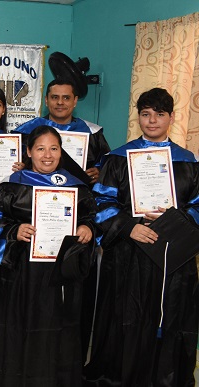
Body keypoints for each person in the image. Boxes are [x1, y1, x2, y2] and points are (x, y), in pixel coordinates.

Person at [83, 88, 199, 386]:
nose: (152, 121)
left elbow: (198, 207)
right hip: (127, 254)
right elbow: (100, 204)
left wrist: (172, 219)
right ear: (138, 117)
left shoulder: (189, 162)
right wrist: (127, 226)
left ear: (171, 118)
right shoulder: (119, 158)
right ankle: (118, 378)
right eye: (145, 114)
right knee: (125, 316)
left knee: (169, 316)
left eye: (160, 114)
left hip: (171, 256)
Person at [0, 126, 97, 386]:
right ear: (29, 152)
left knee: (60, 328)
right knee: (22, 326)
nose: (48, 155)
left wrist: (87, 227)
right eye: (41, 149)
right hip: (24, 272)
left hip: (62, 274)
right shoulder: (12, 186)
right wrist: (14, 230)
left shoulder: (76, 186)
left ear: (61, 152)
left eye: (54, 149)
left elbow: (93, 216)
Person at [12, 79, 111, 184]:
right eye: (55, 97)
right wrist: (22, 167)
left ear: (75, 101)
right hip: (32, 191)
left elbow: (108, 164)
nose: (60, 102)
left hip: (80, 194)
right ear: (46, 100)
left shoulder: (92, 133)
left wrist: (99, 171)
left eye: (66, 98)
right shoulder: (26, 132)